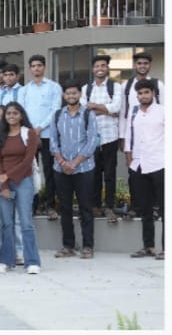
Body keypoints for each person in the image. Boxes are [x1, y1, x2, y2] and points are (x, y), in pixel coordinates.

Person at [49, 80, 99, 260]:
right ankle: (68, 245)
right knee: (65, 208)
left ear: (80, 94)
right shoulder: (57, 115)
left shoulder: (88, 115)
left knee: (86, 207)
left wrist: (75, 163)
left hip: (84, 169)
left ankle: (87, 246)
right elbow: (53, 141)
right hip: (61, 169)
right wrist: (63, 162)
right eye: (68, 93)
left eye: (74, 93)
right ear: (64, 96)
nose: (71, 96)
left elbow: (92, 141)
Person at [0, 102, 42, 274]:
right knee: (7, 223)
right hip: (4, 183)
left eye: (15, 113)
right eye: (8, 113)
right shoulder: (0, 135)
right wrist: (4, 183)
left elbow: (28, 161)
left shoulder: (29, 133)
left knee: (26, 222)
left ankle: (32, 262)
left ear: (21, 115)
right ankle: (7, 260)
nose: (11, 116)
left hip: (24, 181)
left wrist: (8, 175)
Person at [17, 55, 62, 221]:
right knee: (29, 171)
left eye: (39, 65)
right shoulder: (24, 90)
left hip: (48, 134)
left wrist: (40, 127)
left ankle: (50, 206)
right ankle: (32, 206)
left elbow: (55, 110)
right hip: (29, 136)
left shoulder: (54, 87)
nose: (36, 68)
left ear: (44, 67)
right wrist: (31, 130)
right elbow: (21, 112)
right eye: (33, 66)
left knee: (49, 171)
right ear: (30, 69)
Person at [80, 55, 124, 223]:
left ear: (107, 68)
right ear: (93, 69)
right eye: (97, 66)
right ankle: (96, 206)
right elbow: (84, 109)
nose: (100, 68)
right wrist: (106, 110)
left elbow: (117, 107)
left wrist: (94, 106)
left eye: (103, 65)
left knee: (110, 174)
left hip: (110, 136)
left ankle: (109, 207)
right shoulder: (86, 89)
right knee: (94, 174)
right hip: (92, 138)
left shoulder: (115, 87)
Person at [121, 52, 163, 220]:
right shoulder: (127, 87)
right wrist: (127, 150)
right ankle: (137, 208)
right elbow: (126, 120)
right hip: (137, 151)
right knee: (136, 181)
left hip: (158, 150)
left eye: (145, 63)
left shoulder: (159, 86)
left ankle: (158, 210)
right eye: (139, 63)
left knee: (159, 187)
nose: (142, 66)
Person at [125, 80, 164, 260]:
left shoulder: (163, 111)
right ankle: (148, 246)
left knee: (165, 208)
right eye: (140, 93)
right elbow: (128, 137)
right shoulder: (134, 112)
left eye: (146, 92)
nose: (143, 96)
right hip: (139, 165)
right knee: (145, 209)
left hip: (160, 164)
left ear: (153, 93)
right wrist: (130, 160)